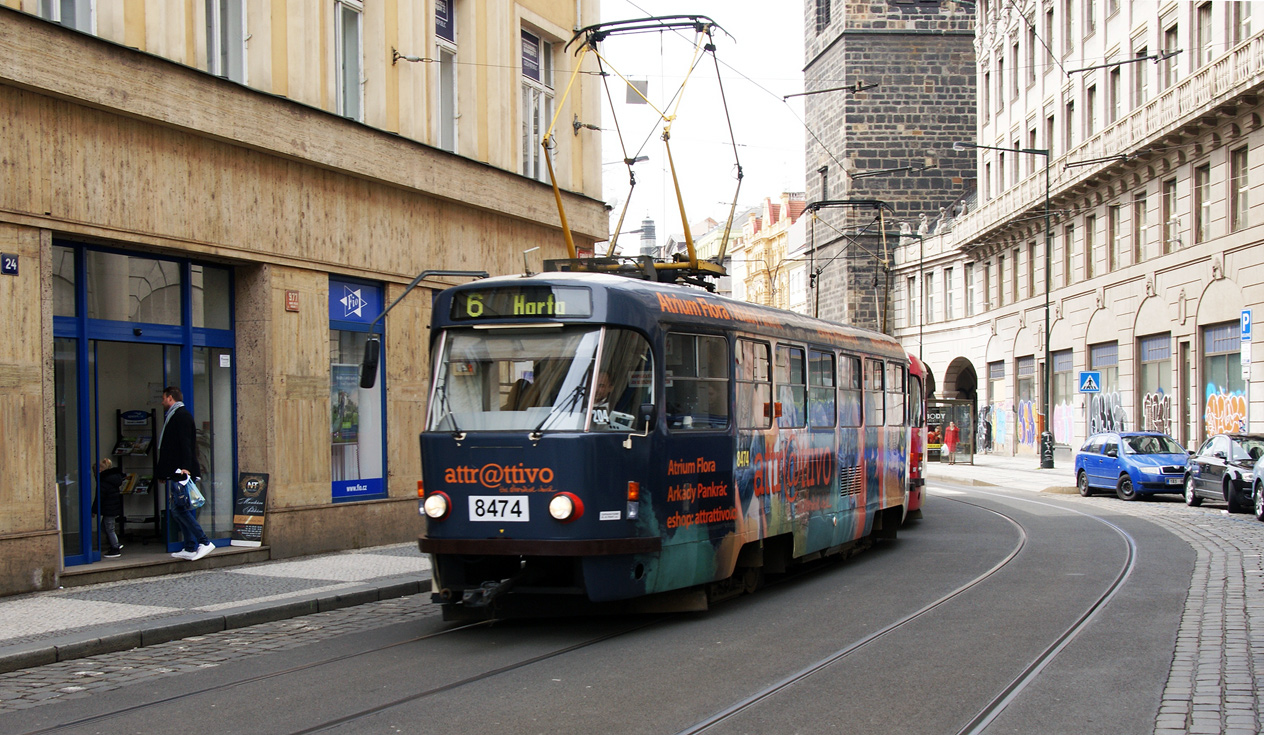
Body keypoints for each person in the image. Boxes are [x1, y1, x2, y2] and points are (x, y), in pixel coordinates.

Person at [156, 386, 213, 561]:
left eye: (164, 398)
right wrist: (164, 473)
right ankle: (189, 547)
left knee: (179, 510)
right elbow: (170, 447)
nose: (162, 401)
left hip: (181, 471)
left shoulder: (181, 416)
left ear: (170, 398)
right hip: (176, 471)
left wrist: (186, 468)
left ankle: (204, 541)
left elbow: (186, 444)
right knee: (179, 509)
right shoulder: (174, 416)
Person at [95, 458, 125, 558]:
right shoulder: (113, 479)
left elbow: (99, 497)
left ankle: (115, 547)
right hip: (113, 507)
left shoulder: (103, 482)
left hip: (109, 508)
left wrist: (94, 510)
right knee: (105, 527)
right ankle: (114, 544)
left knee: (109, 528)